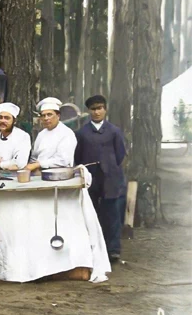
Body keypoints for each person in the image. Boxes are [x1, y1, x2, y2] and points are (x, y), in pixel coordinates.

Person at [75, 95, 127, 260]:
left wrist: (109, 166)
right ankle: (93, 248)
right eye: (93, 109)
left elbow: (120, 154)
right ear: (88, 111)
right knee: (91, 212)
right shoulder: (82, 133)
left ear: (105, 109)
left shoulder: (114, 131)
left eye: (100, 108)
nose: (97, 112)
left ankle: (113, 250)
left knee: (112, 213)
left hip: (110, 177)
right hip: (91, 178)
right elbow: (78, 157)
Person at [26, 97, 77, 172]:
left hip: (60, 175)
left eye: (49, 114)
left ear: (58, 116)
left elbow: (63, 160)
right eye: (43, 115)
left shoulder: (67, 133)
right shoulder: (41, 134)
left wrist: (38, 164)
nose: (46, 118)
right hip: (39, 174)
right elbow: (34, 156)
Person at [0, 102, 31, 177]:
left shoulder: (23, 136)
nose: (3, 121)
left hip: (15, 177)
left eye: (7, 118)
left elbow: (19, 164)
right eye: (0, 117)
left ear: (14, 121)